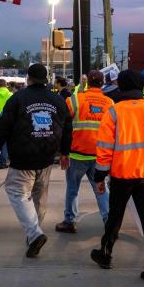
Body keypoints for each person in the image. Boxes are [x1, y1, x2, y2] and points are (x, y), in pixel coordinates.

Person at [89, 70, 144, 284]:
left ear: (121, 87)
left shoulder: (114, 112)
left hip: (122, 173)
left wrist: (100, 176)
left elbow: (105, 148)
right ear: (142, 86)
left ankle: (105, 254)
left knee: (115, 216)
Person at [0, 63, 71, 257]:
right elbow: (68, 127)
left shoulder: (18, 98)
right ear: (46, 79)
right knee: (40, 197)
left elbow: (3, 125)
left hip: (22, 156)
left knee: (17, 192)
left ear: (29, 78)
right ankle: (33, 234)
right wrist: (65, 153)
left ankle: (34, 234)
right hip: (47, 155)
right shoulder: (58, 100)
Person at [55, 70, 113, 234]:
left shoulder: (74, 100)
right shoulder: (109, 103)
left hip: (76, 154)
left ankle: (70, 221)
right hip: (99, 155)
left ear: (88, 83)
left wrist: (63, 152)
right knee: (101, 189)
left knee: (72, 189)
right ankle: (109, 220)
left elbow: (63, 125)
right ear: (102, 83)